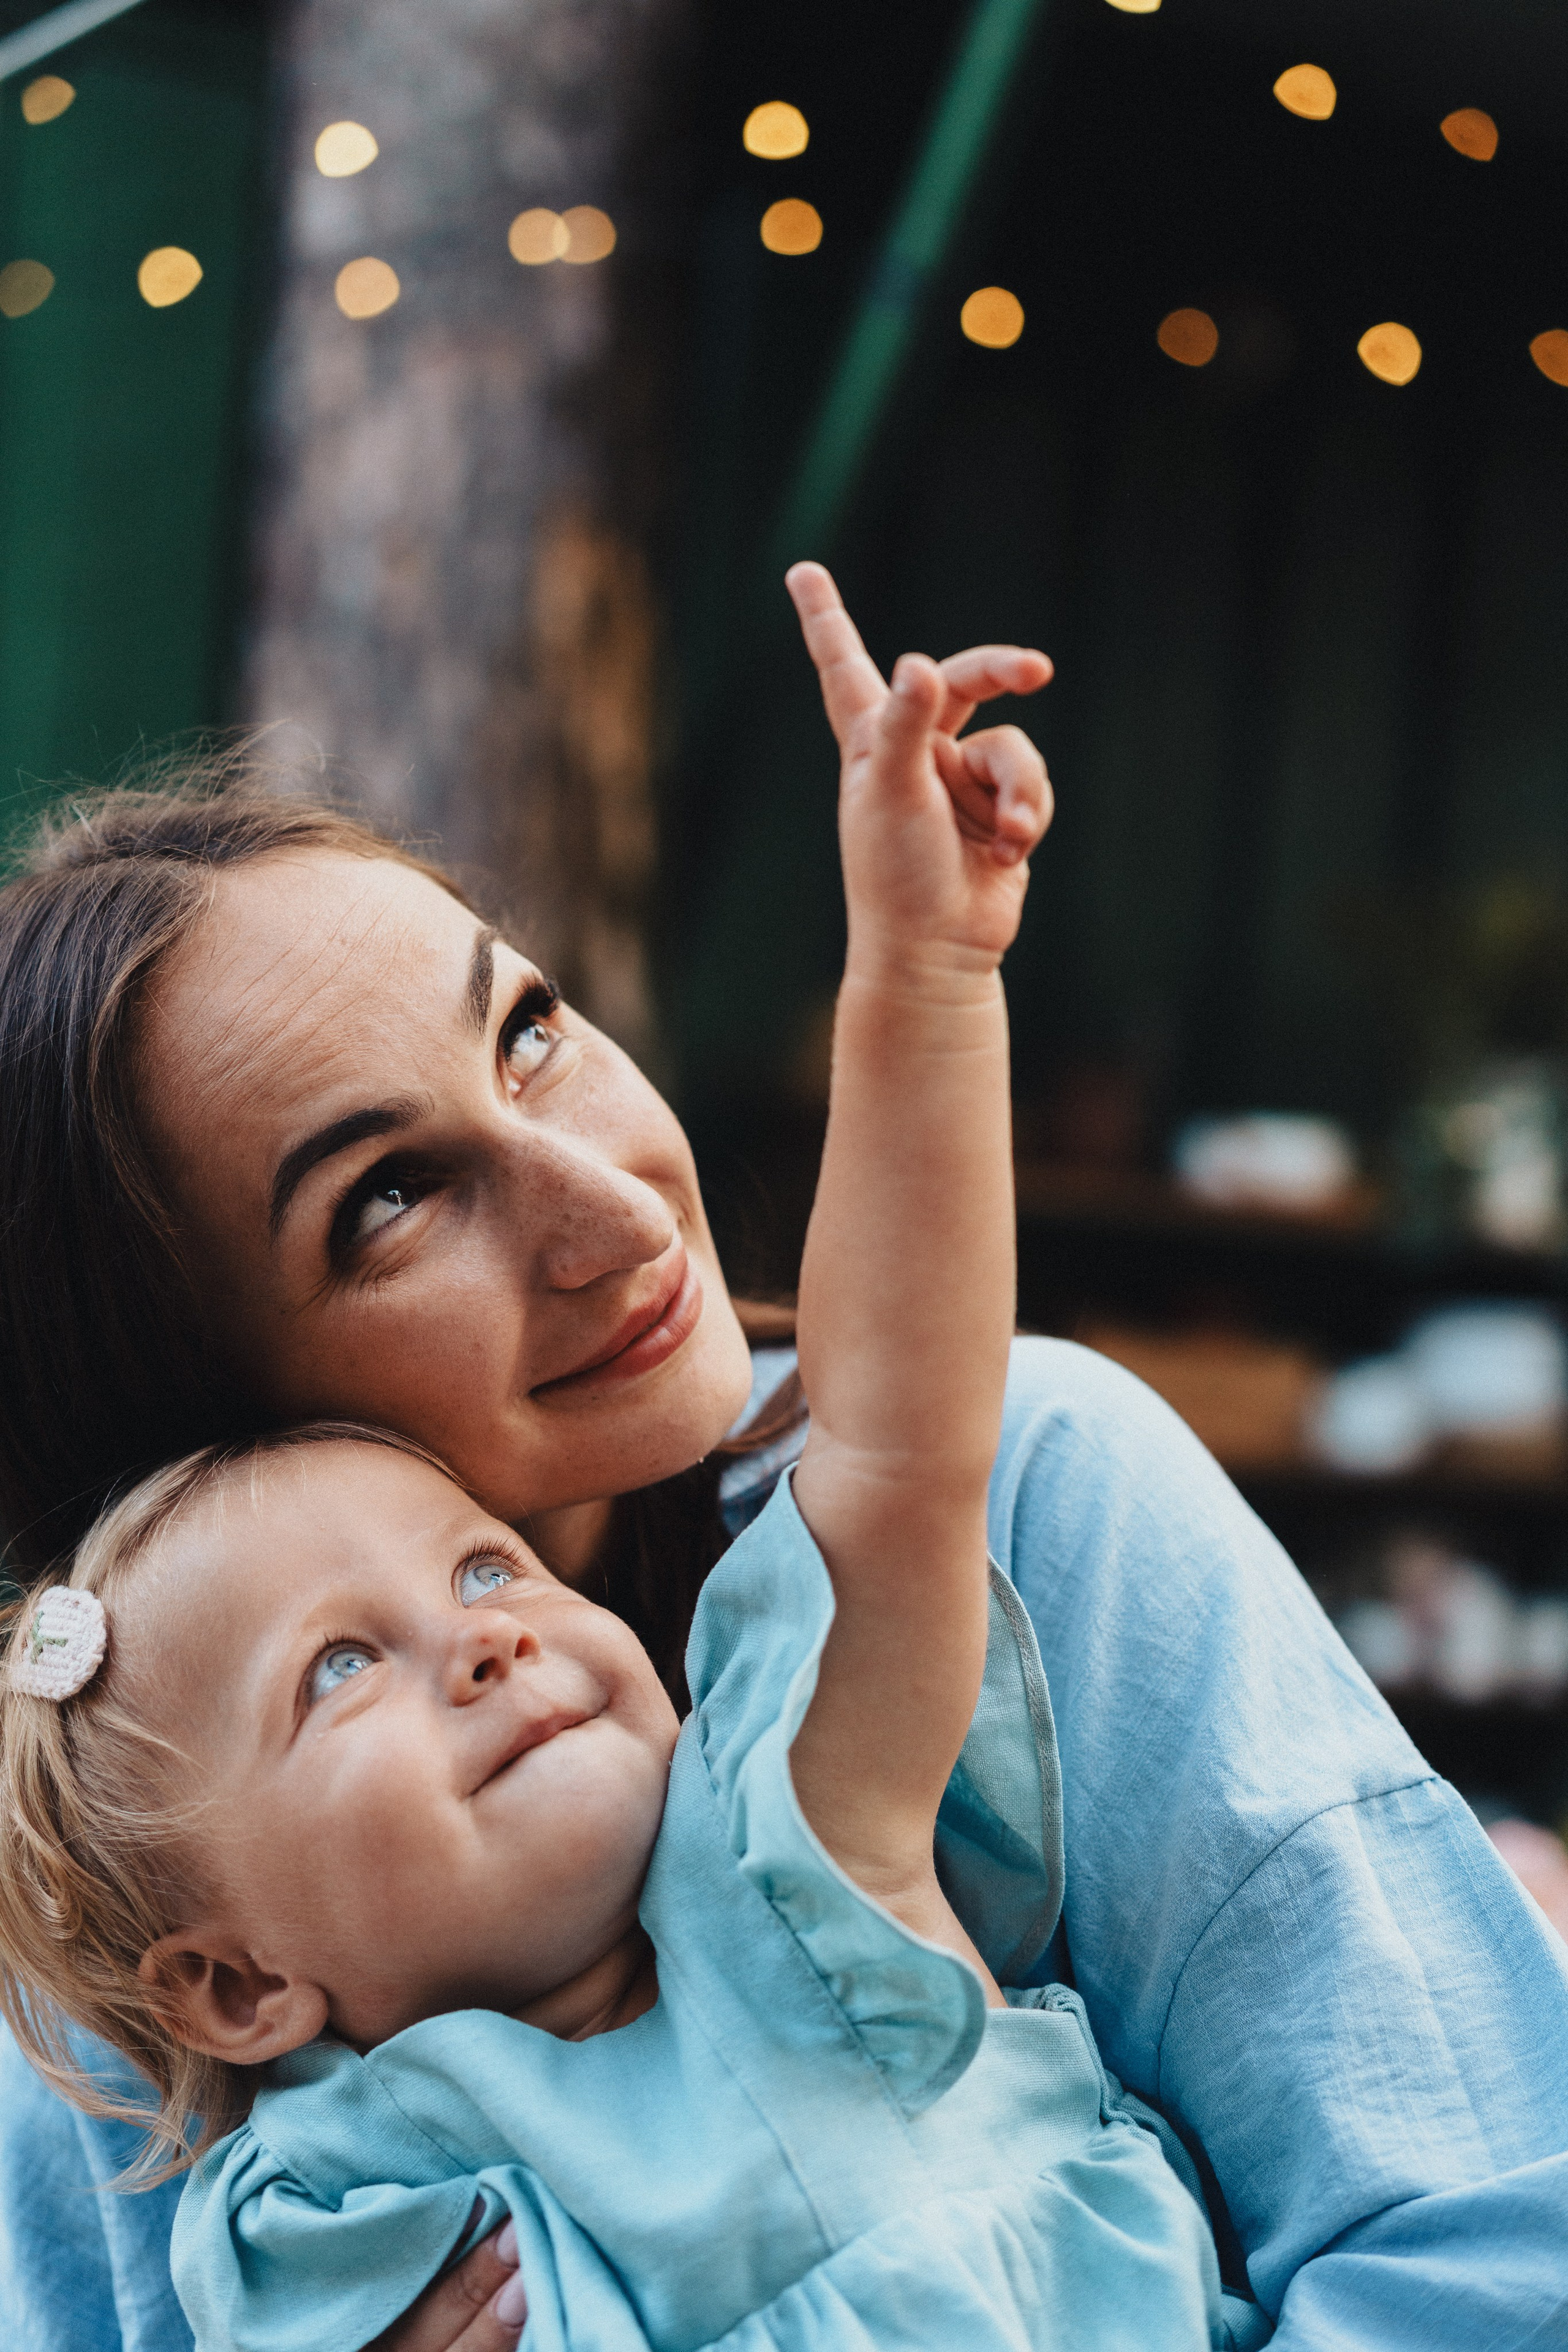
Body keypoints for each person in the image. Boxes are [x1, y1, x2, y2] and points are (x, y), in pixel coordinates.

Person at [0, 568, 1561, 2350]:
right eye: (390, 1199)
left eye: (527, 1030)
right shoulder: (134, 1999)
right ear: (192, 1443)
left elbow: (1487, 2242)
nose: (612, 1206)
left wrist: (923, 974)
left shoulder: (856, 1738)